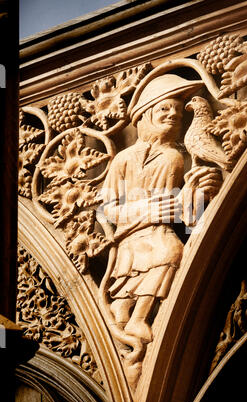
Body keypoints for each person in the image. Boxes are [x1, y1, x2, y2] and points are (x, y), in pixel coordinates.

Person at [98, 74, 220, 343]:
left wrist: (200, 191)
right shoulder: (124, 158)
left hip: (160, 232)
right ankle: (124, 311)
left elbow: (185, 214)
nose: (172, 114)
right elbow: (107, 210)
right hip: (131, 236)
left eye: (177, 110)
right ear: (146, 113)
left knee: (172, 250)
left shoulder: (174, 157)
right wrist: (148, 211)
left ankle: (139, 317)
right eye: (164, 108)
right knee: (157, 259)